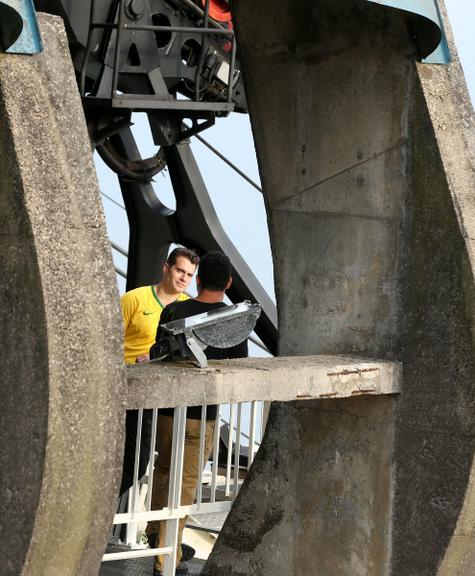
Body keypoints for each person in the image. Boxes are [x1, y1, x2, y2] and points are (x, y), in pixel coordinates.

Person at [147, 251, 248, 576]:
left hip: (167, 410)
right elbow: (238, 369)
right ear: (229, 283)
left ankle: (155, 536)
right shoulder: (232, 321)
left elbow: (155, 353)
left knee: (163, 472)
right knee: (185, 489)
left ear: (199, 278)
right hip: (200, 416)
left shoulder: (175, 309)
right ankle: (166, 562)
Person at [119, 247, 199, 495]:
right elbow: (107, 342)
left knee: (141, 465)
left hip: (159, 398)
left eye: (189, 274)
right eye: (179, 270)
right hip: (124, 389)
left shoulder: (190, 309)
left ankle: (104, 515)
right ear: (166, 268)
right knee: (119, 459)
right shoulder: (134, 299)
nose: (183, 278)